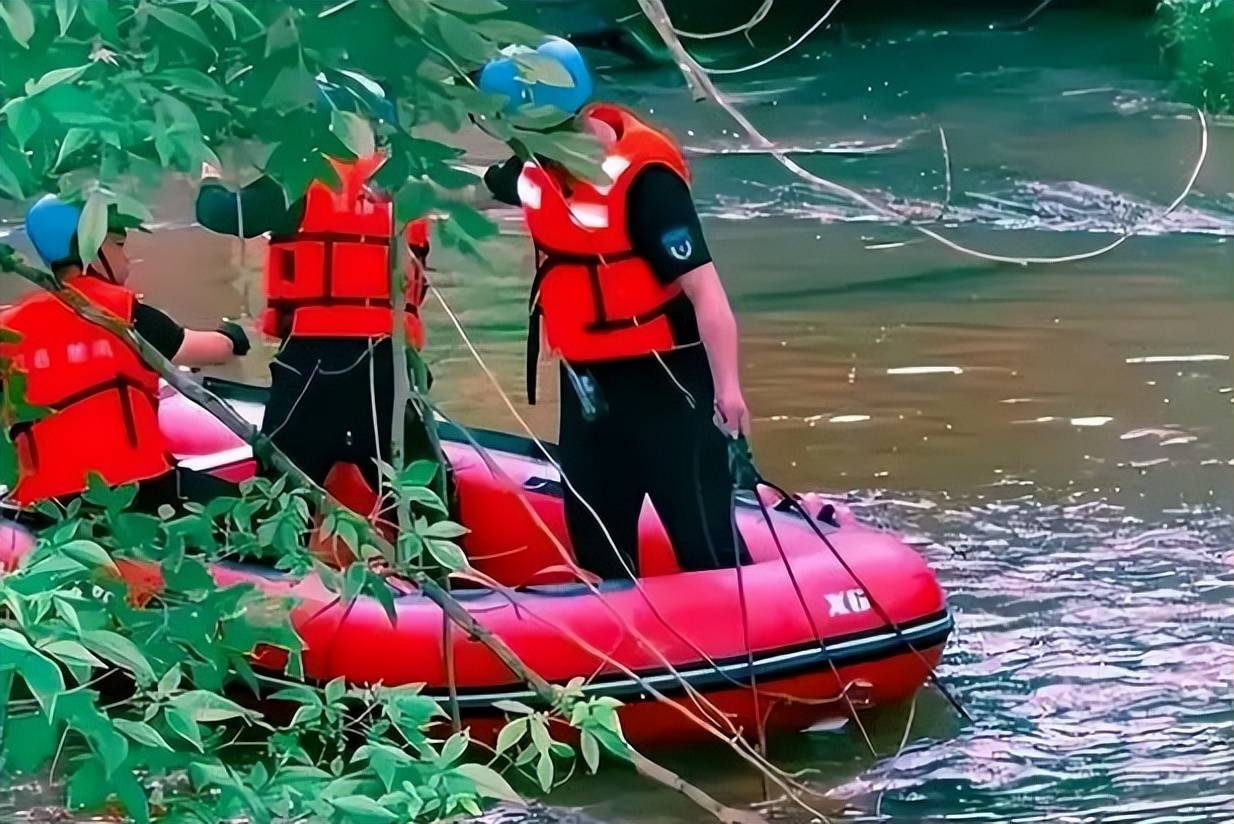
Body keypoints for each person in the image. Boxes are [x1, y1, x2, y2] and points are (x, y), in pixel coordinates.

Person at [479, 39, 752, 579]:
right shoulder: (535, 169)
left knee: (704, 544)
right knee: (597, 544)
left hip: (668, 385)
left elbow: (706, 292)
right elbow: (478, 191)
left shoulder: (647, 182)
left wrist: (728, 389)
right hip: (588, 389)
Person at [195, 154, 444, 506]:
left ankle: (272, 553)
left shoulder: (301, 173)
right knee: (420, 485)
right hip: (393, 362)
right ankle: (438, 557)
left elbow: (221, 214)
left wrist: (209, 178)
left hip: (314, 365)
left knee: (284, 482)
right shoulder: (406, 181)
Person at [0, 195, 249, 510]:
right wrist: (232, 336)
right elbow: (207, 349)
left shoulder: (9, 328)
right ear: (92, 248)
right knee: (253, 505)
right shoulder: (123, 312)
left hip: (47, 502)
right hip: (136, 490)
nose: (127, 259)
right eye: (119, 245)